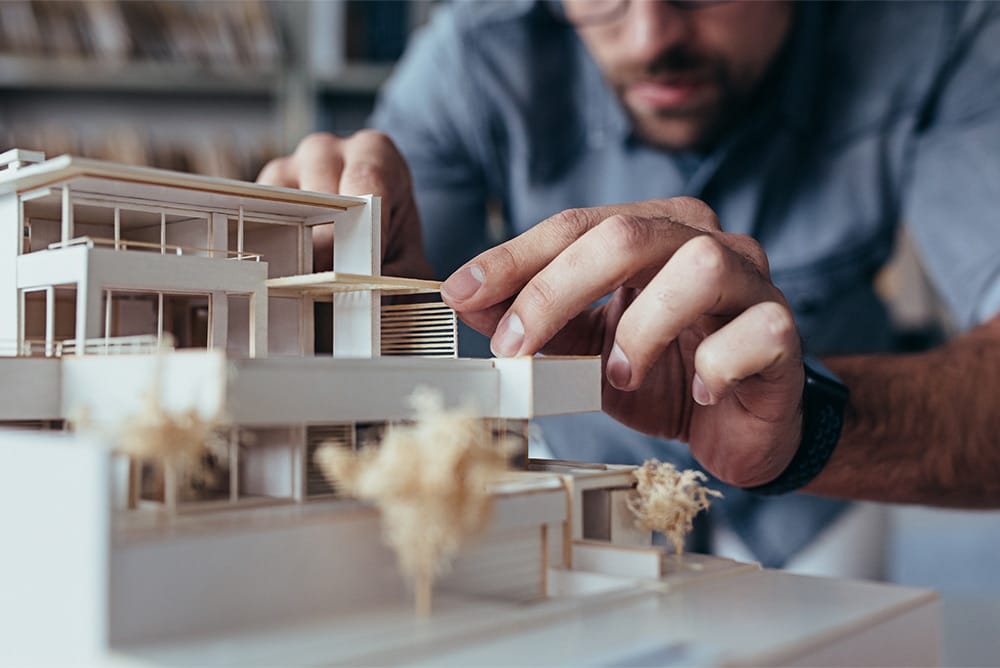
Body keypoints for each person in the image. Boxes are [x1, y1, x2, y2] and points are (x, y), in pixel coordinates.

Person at [258, 1, 1000, 568]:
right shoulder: (473, 51)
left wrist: (805, 430)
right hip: (575, 506)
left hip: (825, 497)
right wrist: (345, 292)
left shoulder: (939, 33)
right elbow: (409, 312)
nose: (650, 38)